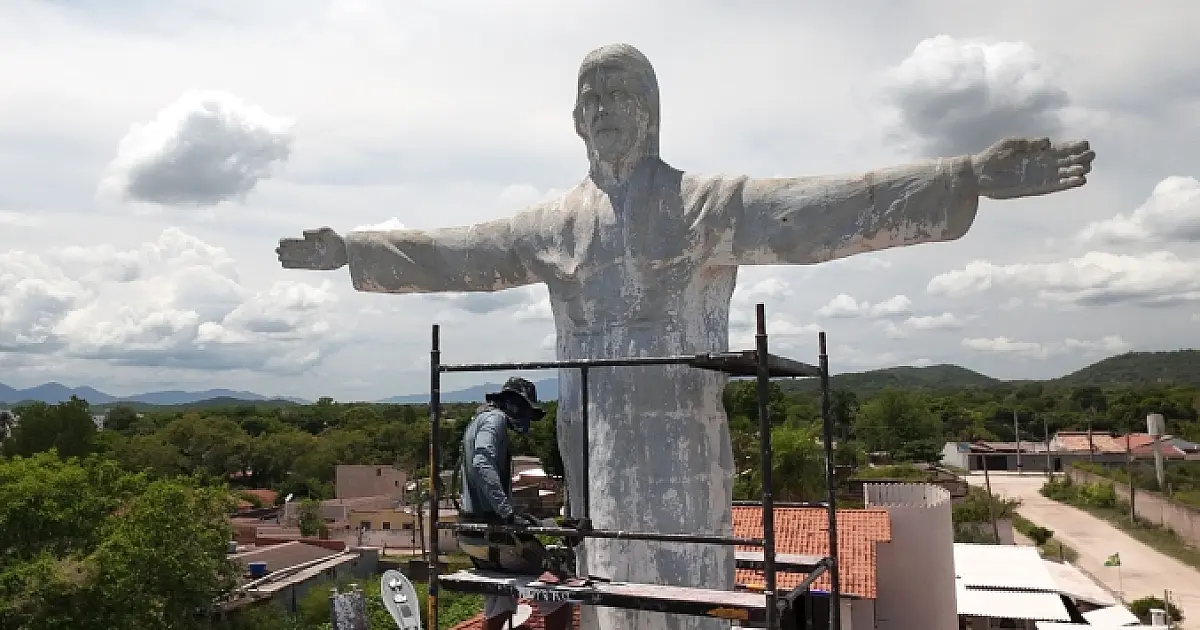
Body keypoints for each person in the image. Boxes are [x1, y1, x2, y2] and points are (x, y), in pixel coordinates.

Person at [457, 377, 571, 630]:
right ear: (514, 404)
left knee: (500, 595)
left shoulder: (476, 421)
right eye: (527, 411)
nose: (527, 420)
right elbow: (482, 462)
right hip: (493, 534)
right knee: (557, 586)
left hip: (473, 537)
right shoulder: (494, 420)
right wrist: (507, 513)